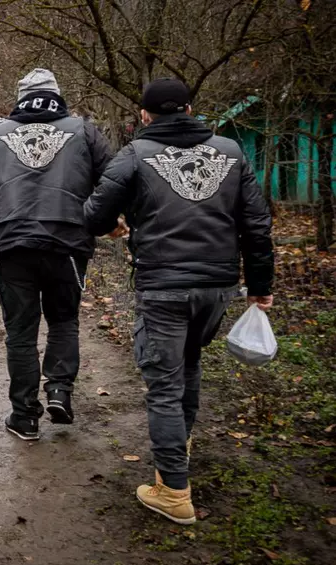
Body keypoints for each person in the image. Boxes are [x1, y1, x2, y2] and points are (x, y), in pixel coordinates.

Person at [83, 78, 274, 525]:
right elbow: (257, 226)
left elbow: (93, 215)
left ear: (146, 115)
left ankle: (172, 489)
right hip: (216, 287)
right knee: (188, 366)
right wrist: (261, 285)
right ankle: (178, 448)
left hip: (164, 285)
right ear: (190, 109)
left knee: (165, 385)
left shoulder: (133, 155)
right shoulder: (230, 151)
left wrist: (120, 222)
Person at [0, 69, 111, 441]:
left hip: (11, 242)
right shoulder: (84, 130)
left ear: (20, 97)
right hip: (67, 241)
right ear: (57, 94)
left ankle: (25, 416)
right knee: (64, 320)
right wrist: (102, 218)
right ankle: (59, 391)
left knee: (20, 333)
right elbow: (113, 179)